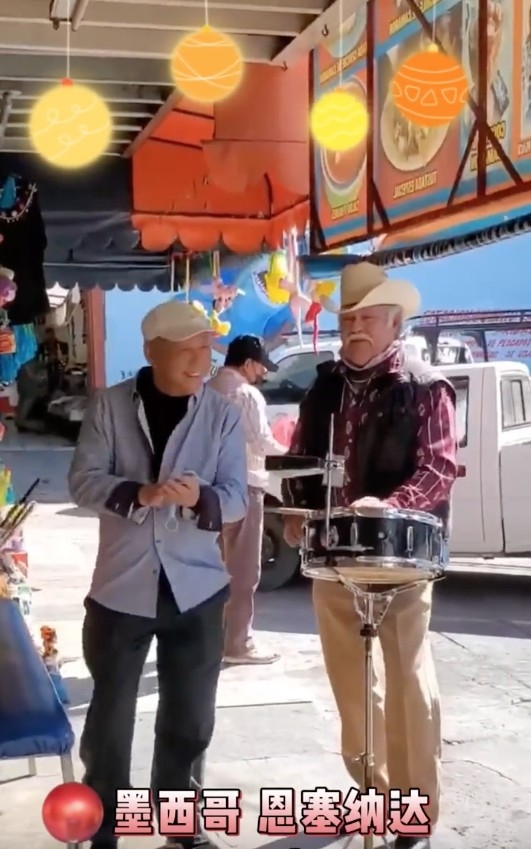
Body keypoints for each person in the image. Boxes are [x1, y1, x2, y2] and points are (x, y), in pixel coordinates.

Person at [282, 262, 458, 849]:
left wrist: (391, 502)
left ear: (395, 323)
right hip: (333, 555)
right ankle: (372, 792)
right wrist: (296, 506)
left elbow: (439, 467)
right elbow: (302, 458)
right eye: (348, 318)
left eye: (366, 318)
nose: (355, 327)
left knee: (408, 681)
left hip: (402, 556)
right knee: (350, 684)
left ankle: (414, 807)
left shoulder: (425, 385)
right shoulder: (323, 383)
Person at [69, 300, 248, 849]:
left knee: (191, 720)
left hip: (196, 588)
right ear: (153, 352)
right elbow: (83, 481)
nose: (203, 359)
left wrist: (201, 500)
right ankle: (103, 827)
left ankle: (180, 825)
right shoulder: (110, 406)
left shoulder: (223, 413)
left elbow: (239, 496)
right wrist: (138, 494)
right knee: (111, 719)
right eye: (189, 348)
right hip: (121, 587)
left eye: (207, 348)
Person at [208, 334, 285, 664]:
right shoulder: (246, 394)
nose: (263, 374)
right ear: (248, 363)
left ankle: (212, 639)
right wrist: (291, 448)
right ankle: (238, 644)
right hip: (244, 486)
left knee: (212, 567)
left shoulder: (207, 389)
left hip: (208, 488)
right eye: (260, 367)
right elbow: (262, 443)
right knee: (243, 570)